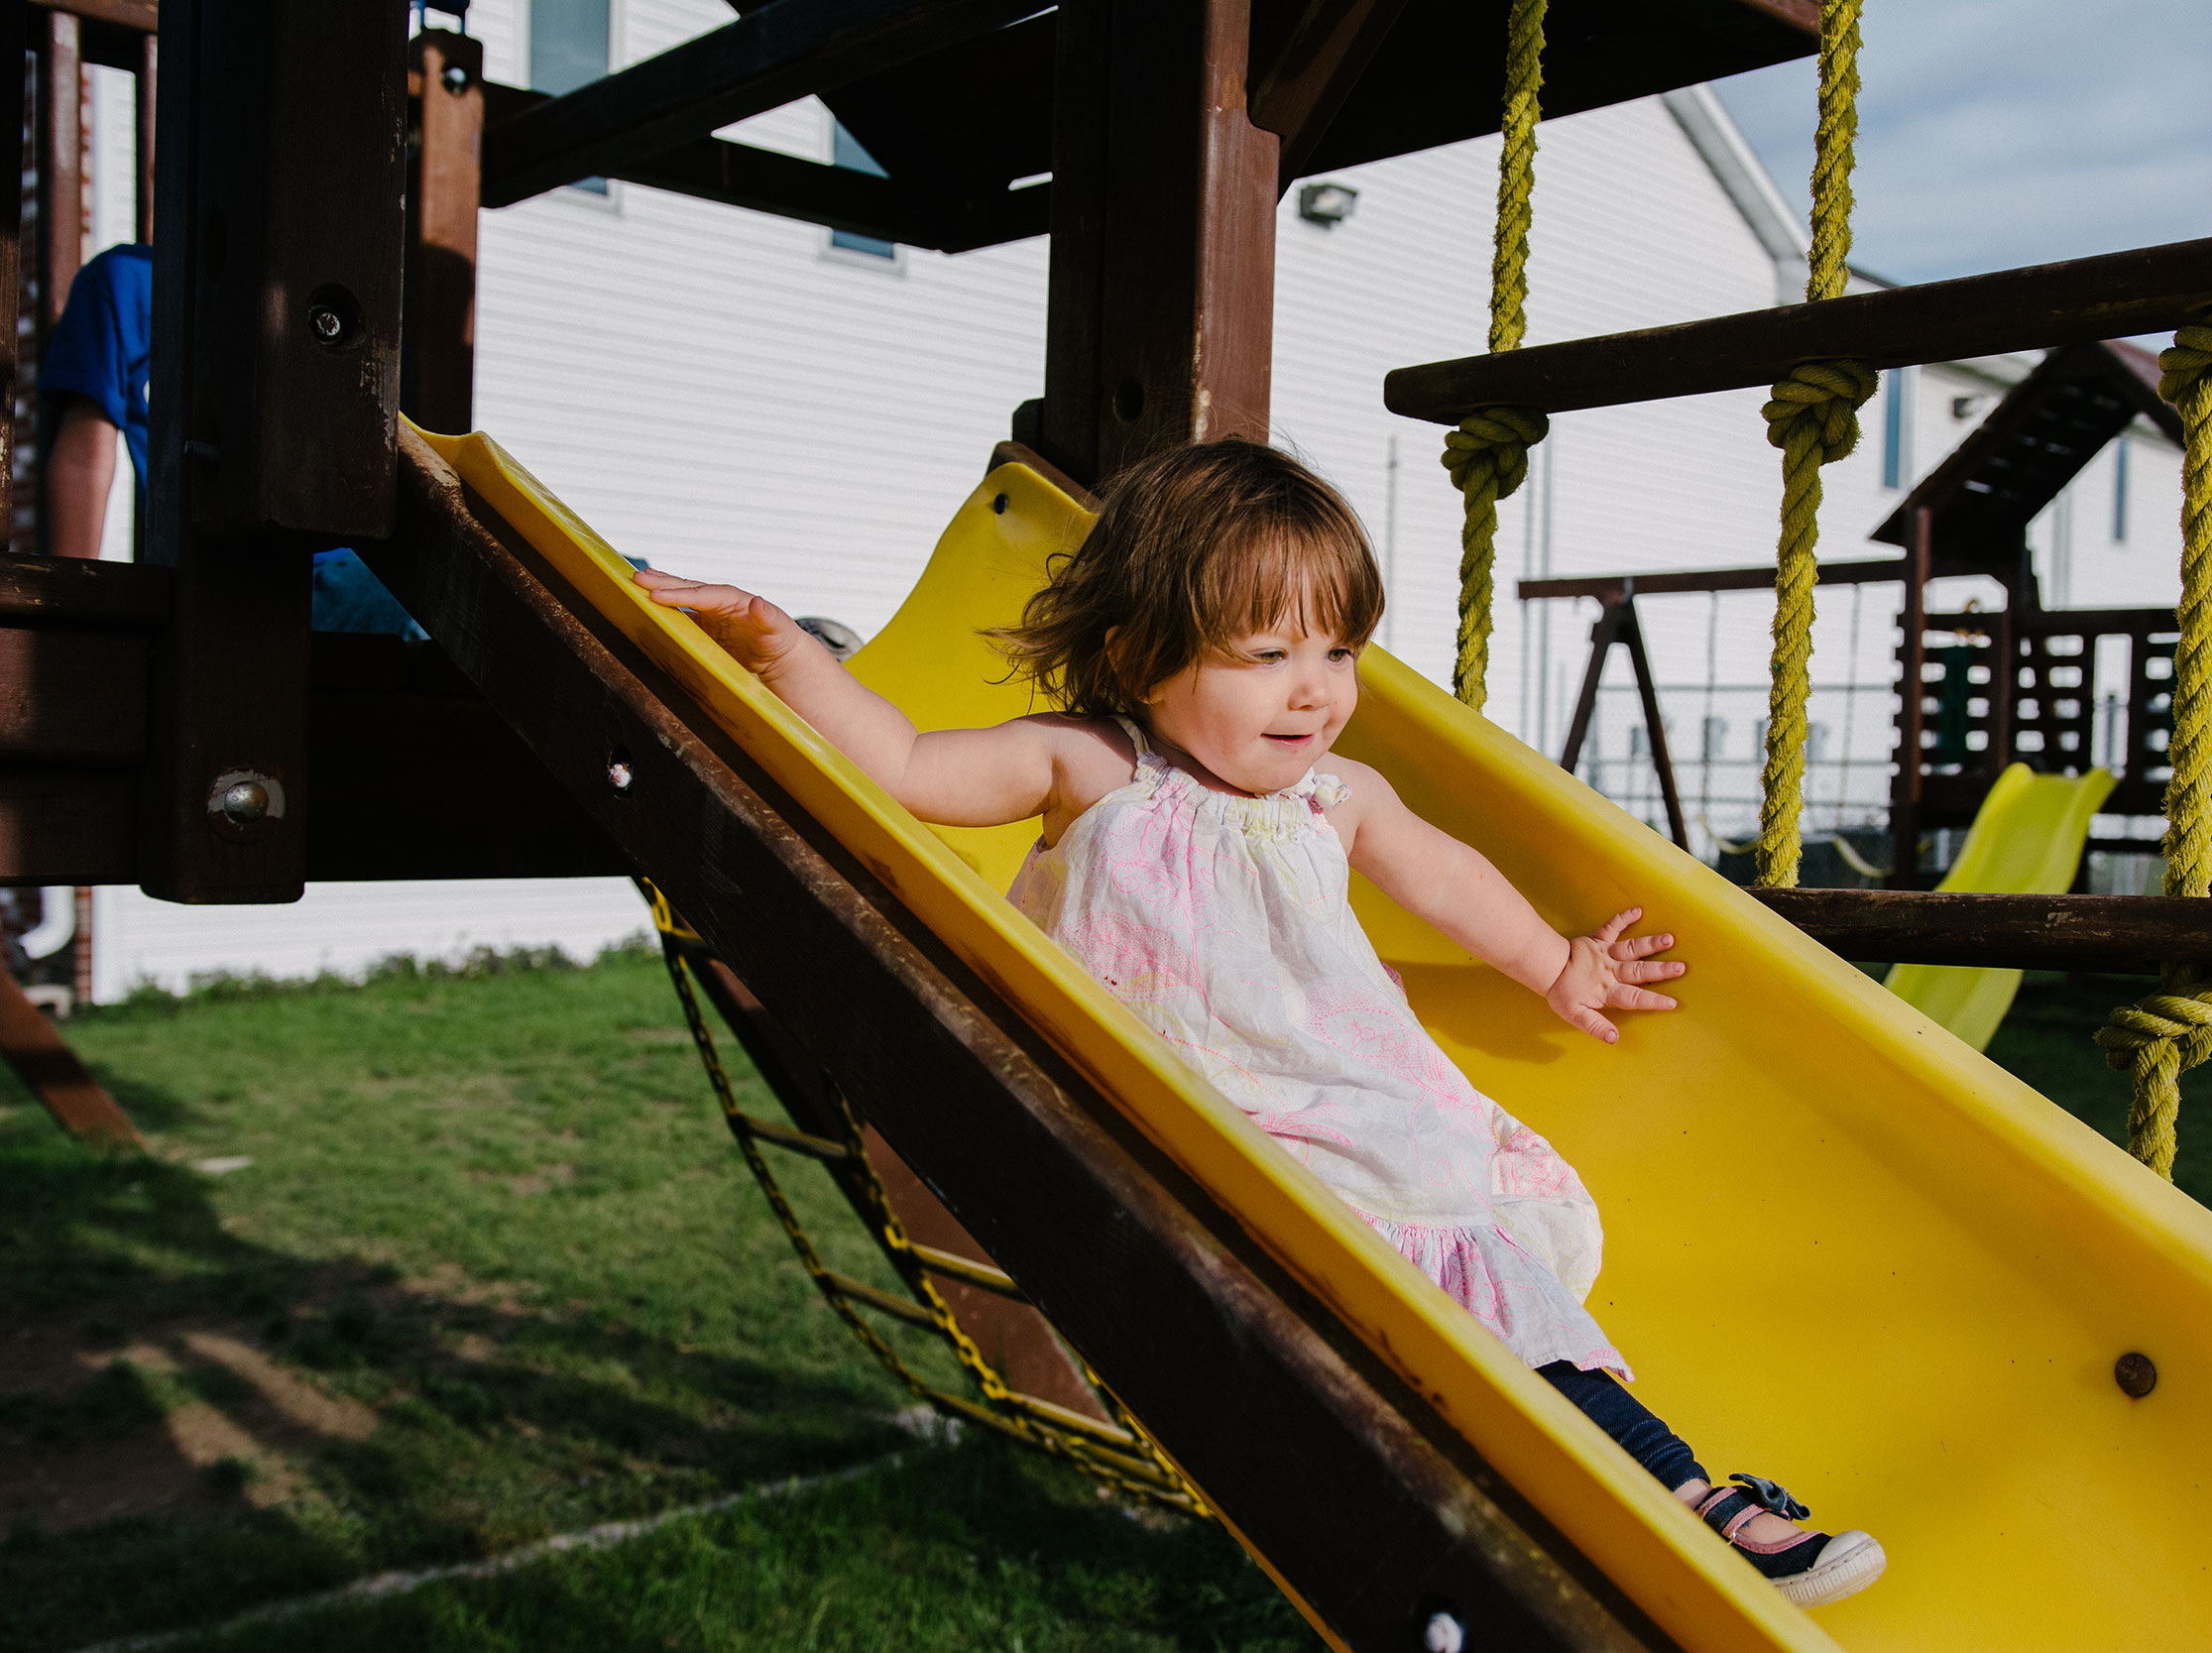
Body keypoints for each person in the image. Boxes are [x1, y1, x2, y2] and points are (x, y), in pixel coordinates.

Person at [634, 440, 1885, 1608]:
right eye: (1267, 652)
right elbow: (905, 766)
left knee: (1496, 1318)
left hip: (1362, 1129)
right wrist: (781, 651)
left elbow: (1445, 879)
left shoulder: (1339, 795)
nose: (1314, 691)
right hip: (1204, 1141)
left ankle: (1687, 1499)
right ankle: (1631, 1514)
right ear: (1139, 655)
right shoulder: (1090, 766)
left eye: (1338, 649)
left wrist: (1558, 962)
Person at [39, 242, 422, 639]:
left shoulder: (325, 278)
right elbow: (83, 462)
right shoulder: (127, 278)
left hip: (348, 562)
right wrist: (68, 619)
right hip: (215, 577)